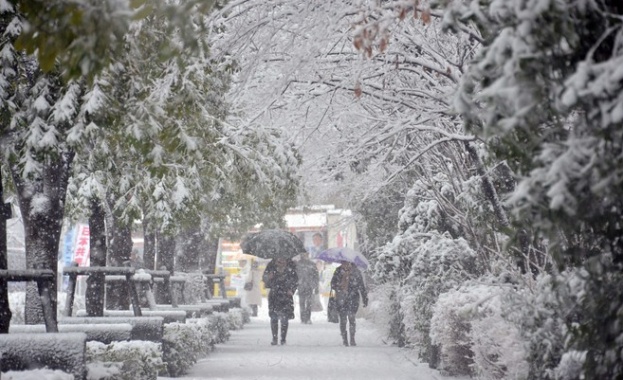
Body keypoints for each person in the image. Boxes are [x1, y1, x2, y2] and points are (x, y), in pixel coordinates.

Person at [330, 261, 368, 346]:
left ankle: (352, 338)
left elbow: (361, 286)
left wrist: (365, 298)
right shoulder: (338, 271)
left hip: (353, 298)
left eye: (346, 263)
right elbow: (332, 284)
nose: (344, 264)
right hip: (341, 299)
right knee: (343, 320)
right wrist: (339, 286)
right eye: (343, 263)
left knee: (352, 318)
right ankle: (344, 339)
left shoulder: (356, 272)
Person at [262, 257, 298, 345]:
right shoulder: (271, 267)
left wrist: (292, 290)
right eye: (279, 261)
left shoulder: (291, 269)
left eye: (282, 260)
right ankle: (274, 338)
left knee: (285, 318)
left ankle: (283, 338)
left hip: (286, 296)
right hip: (274, 295)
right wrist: (268, 277)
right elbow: (265, 279)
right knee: (274, 317)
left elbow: (295, 281)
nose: (281, 262)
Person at [295, 252, 319, 324]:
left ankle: (308, 318)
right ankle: (303, 318)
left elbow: (316, 276)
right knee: (302, 303)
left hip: (309, 286)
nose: (305, 256)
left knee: (309, 303)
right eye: (303, 254)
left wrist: (316, 286)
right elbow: (294, 276)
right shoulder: (298, 264)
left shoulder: (312, 264)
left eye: (306, 254)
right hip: (301, 286)